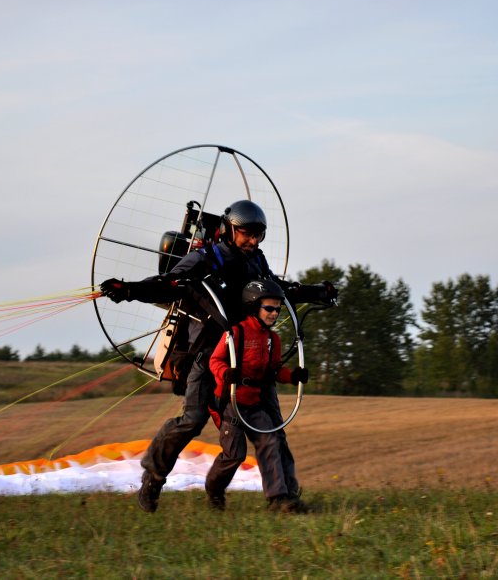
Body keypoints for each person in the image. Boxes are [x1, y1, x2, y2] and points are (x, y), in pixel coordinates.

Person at [100, 199, 337, 512]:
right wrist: (128, 289)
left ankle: (283, 499)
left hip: (251, 353)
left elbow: (277, 290)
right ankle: (153, 478)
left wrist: (315, 291)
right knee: (192, 421)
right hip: (209, 355)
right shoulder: (204, 258)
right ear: (228, 229)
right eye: (246, 234)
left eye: (258, 235)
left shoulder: (257, 262)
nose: (252, 241)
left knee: (272, 428)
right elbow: (170, 285)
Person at [205, 279, 309, 513]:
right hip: (232, 403)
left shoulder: (273, 340)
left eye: (277, 309)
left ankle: (278, 499)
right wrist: (226, 374)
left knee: (270, 442)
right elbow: (215, 360)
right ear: (254, 307)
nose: (274, 314)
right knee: (235, 455)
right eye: (269, 308)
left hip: (255, 404)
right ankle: (214, 489)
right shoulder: (236, 333)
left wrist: (293, 377)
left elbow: (273, 371)